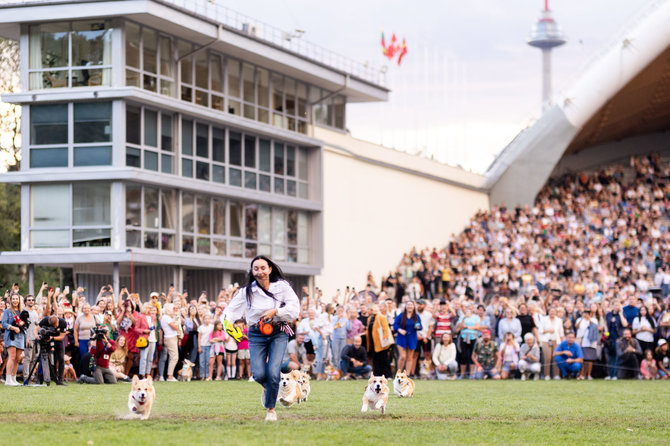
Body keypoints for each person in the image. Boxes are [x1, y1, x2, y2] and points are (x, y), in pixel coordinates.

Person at [222, 255, 300, 422]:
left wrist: (276, 312)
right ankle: (269, 388)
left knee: (273, 372)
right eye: (256, 268)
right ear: (252, 271)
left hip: (278, 332)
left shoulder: (282, 287)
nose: (260, 271)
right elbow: (229, 311)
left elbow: (294, 309)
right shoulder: (246, 291)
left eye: (263, 268)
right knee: (258, 374)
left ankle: (271, 410)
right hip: (256, 333)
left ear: (270, 269)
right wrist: (228, 325)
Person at [2, 293, 26, 386]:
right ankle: (8, 380)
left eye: (17, 299)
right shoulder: (7, 311)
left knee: (17, 359)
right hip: (11, 336)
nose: (15, 300)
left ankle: (13, 379)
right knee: (11, 357)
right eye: (13, 299)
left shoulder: (23, 311)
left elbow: (26, 323)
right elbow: (4, 324)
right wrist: (13, 327)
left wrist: (23, 323)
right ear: (11, 300)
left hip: (21, 336)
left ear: (19, 300)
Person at [393, 300, 422, 377]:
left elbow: (419, 327)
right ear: (406, 307)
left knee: (409, 357)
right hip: (402, 337)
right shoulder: (401, 315)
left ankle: (407, 374)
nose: (409, 306)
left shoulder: (416, 316)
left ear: (413, 307)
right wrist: (400, 330)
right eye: (408, 305)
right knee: (402, 356)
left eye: (411, 305)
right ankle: (398, 374)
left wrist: (418, 327)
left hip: (412, 337)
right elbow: (395, 325)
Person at [37, 315, 68, 385]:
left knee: (61, 359)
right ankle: (39, 379)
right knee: (43, 358)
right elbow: (37, 329)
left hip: (58, 340)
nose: (54, 327)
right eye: (52, 326)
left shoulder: (63, 322)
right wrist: (37, 335)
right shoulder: (45, 320)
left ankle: (60, 380)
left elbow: (62, 336)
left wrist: (52, 338)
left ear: (58, 320)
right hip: (46, 340)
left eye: (56, 325)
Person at [367, 302, 393, 378]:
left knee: (384, 359)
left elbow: (385, 329)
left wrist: (385, 338)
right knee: (375, 359)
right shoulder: (369, 319)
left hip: (381, 342)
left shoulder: (381, 317)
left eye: (369, 309)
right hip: (373, 342)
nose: (368, 310)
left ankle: (387, 375)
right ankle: (377, 375)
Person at [456, 303, 480, 379]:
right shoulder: (462, 317)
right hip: (464, 337)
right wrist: (464, 319)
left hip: (473, 337)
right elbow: (461, 326)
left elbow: (477, 327)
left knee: (473, 355)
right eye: (467, 308)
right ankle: (462, 374)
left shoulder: (476, 317)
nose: (469, 309)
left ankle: (472, 374)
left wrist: (467, 327)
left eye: (470, 308)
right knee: (464, 355)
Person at [539, 307, 564, 380]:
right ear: (548, 312)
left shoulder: (559, 320)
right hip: (546, 340)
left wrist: (561, 342)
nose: (552, 313)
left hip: (556, 340)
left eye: (554, 311)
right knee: (547, 358)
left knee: (555, 358)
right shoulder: (544, 319)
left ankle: (556, 374)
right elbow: (540, 331)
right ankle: (546, 375)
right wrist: (548, 331)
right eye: (551, 311)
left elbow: (561, 332)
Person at [575, 308, 599, 380]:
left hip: (591, 342)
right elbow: (576, 326)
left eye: (588, 313)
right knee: (583, 359)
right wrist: (582, 318)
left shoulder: (594, 320)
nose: (586, 314)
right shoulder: (579, 320)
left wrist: (589, 319)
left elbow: (595, 327)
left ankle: (589, 375)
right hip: (582, 341)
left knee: (590, 359)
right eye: (585, 313)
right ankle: (582, 374)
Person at [159, 303, 180, 382]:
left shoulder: (166, 317)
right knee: (174, 357)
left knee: (173, 357)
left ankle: (170, 375)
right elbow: (175, 327)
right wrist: (177, 319)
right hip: (170, 338)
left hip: (171, 338)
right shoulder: (167, 318)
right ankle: (170, 376)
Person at [136, 302, 158, 379]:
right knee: (144, 357)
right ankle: (142, 374)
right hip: (145, 339)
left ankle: (148, 373)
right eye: (149, 308)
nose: (150, 309)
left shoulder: (153, 317)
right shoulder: (141, 317)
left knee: (150, 358)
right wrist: (143, 331)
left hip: (153, 339)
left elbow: (154, 327)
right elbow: (136, 328)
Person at [197, 313, 213, 380]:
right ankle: (202, 375)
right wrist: (199, 346)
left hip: (210, 345)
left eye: (208, 319)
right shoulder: (201, 327)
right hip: (203, 345)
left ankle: (207, 375)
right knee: (202, 361)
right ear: (203, 320)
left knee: (208, 362)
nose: (207, 320)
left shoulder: (212, 327)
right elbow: (199, 338)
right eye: (205, 319)